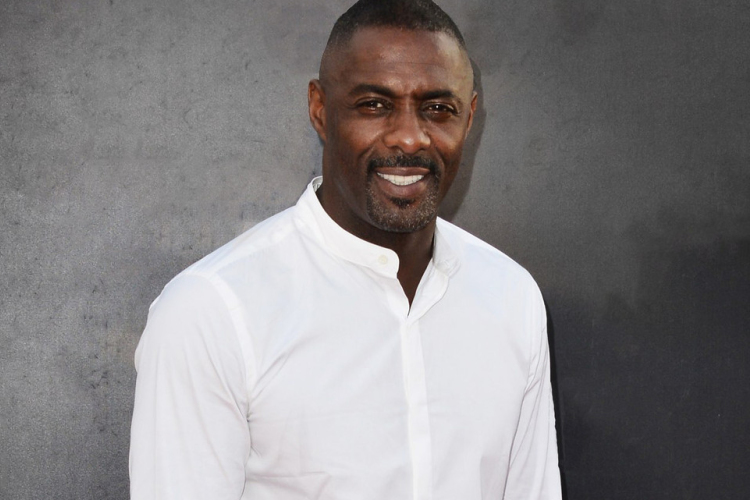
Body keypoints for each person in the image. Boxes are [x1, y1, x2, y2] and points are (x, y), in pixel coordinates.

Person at [129, 0, 562, 498]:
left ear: (469, 117)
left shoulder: (511, 297)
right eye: (374, 105)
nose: (409, 138)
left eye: (437, 109)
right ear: (320, 109)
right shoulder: (211, 313)